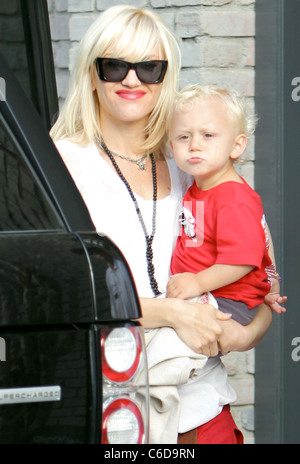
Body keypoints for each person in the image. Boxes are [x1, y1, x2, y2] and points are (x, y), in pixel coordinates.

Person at [50, 5, 279, 444]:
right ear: (91, 72)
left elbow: (259, 276)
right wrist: (172, 312)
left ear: (166, 75)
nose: (131, 80)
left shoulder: (194, 162)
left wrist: (246, 331)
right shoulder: (60, 162)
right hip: (113, 411)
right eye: (114, 65)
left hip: (202, 404)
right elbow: (57, 296)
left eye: (148, 67)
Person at [167, 84, 287, 325]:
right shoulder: (199, 187)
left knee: (164, 337)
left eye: (208, 135)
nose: (194, 145)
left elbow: (241, 260)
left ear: (236, 146)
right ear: (172, 147)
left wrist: (197, 282)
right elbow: (262, 234)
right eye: (183, 137)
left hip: (226, 300)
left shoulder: (232, 199)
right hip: (206, 293)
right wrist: (272, 283)